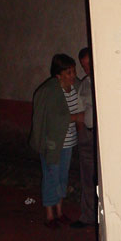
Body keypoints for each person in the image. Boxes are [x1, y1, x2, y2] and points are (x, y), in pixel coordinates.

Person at [29, 53, 84, 229]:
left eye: (73, 71)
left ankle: (59, 211)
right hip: (52, 143)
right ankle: (49, 215)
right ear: (58, 75)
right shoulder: (50, 91)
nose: (73, 75)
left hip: (68, 142)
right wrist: (75, 117)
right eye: (68, 73)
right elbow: (52, 118)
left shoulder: (75, 87)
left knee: (62, 178)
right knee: (51, 177)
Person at [70, 47, 97, 228]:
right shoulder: (85, 84)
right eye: (83, 66)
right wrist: (81, 133)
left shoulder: (103, 81)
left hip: (100, 137)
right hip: (87, 134)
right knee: (87, 177)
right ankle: (88, 216)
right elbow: (80, 108)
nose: (87, 69)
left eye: (89, 64)